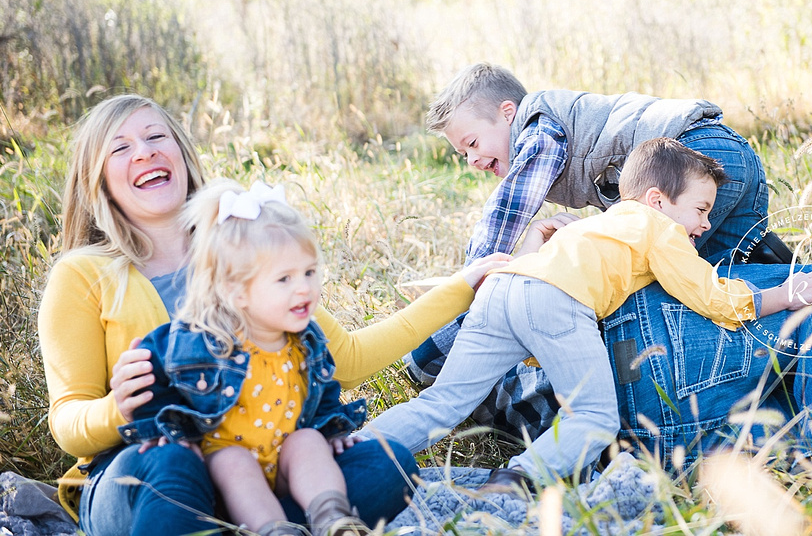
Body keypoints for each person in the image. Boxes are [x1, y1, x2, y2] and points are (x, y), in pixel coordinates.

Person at [37, 94, 505, 536]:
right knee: (171, 467)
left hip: (264, 467)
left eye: (156, 137)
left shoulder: (245, 246)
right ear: (97, 178)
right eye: (121, 148)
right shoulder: (83, 275)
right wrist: (116, 409)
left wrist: (462, 287)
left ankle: (266, 524)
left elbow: (351, 359)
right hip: (146, 468)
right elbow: (68, 424)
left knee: (386, 464)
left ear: (181, 153)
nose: (144, 153)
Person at [366, 139, 812, 490]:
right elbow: (708, 294)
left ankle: (353, 452)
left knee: (442, 403)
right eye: (701, 210)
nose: (705, 224)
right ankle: (515, 483)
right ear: (658, 201)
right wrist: (782, 296)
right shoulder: (658, 228)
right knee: (594, 416)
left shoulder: (602, 222)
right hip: (556, 300)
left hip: (503, 288)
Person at [406, 63, 794, 439]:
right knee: (722, 273)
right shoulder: (551, 127)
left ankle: (654, 394)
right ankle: (790, 338)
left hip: (686, 162)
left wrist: (471, 279)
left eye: (473, 143)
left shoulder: (537, 127)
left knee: (667, 283)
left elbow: (508, 210)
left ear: (508, 114)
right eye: (463, 155)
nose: (473, 161)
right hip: (726, 154)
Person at [117, 180, 372, 536]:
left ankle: (333, 518)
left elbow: (324, 389)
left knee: (309, 441)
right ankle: (274, 529)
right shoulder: (200, 339)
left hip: (286, 464)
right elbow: (151, 369)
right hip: (224, 470)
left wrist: (332, 429)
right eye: (284, 278)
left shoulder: (307, 339)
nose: (304, 288)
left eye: (309, 272)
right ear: (237, 291)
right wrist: (161, 429)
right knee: (232, 461)